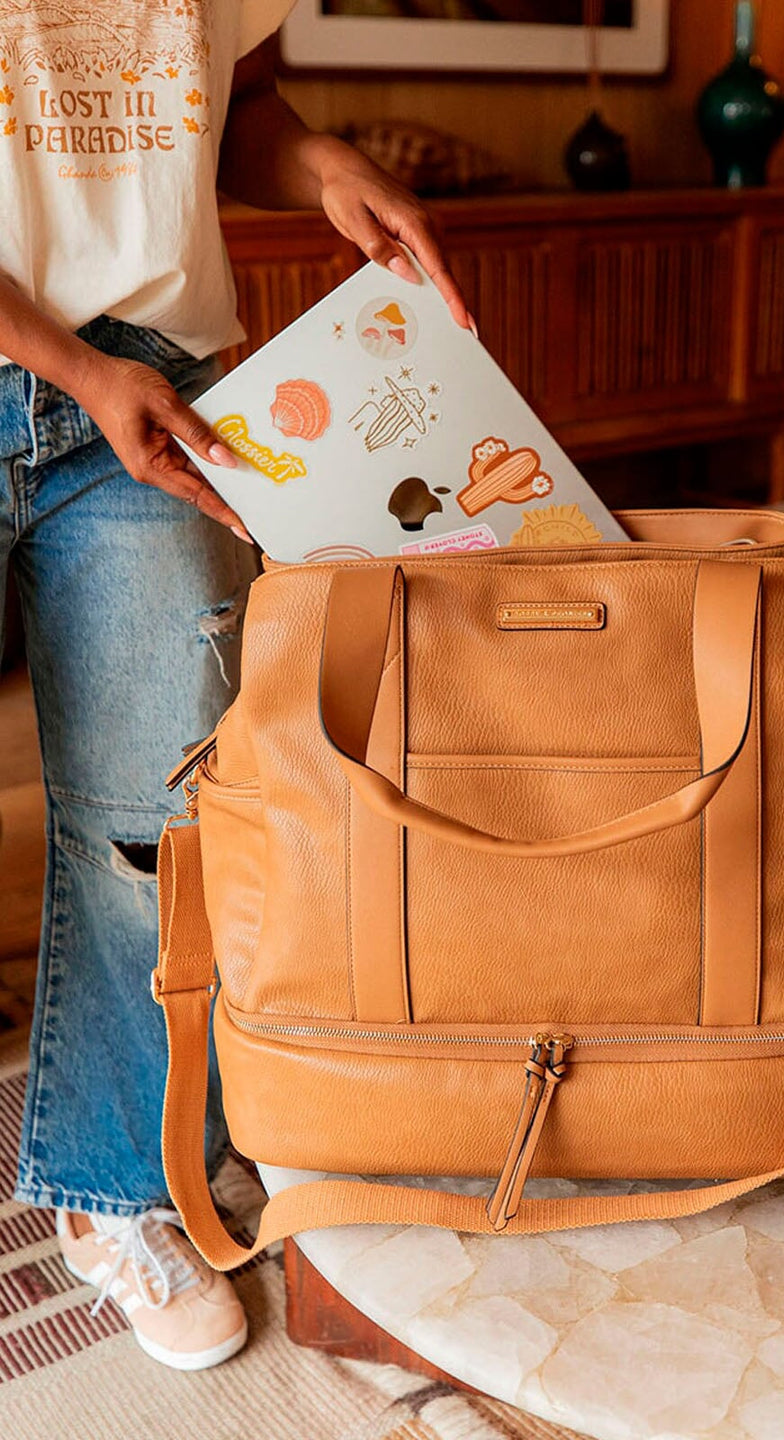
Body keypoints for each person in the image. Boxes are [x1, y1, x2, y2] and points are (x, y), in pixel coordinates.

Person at [0, 0, 470, 1371]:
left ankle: (113, 1191)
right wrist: (70, 369)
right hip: (83, 370)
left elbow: (234, 97)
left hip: (153, 390)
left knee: (160, 817)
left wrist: (324, 168)